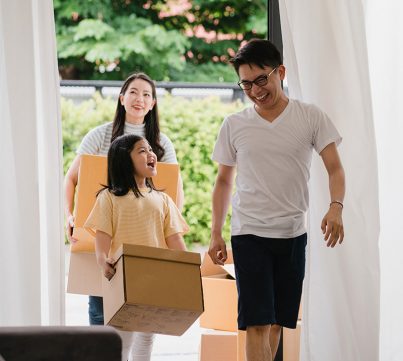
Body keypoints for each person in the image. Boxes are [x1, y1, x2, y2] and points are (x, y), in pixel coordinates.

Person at [208, 39, 345, 361]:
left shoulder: (311, 117)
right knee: (256, 323)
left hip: (292, 234)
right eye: (246, 83)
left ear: (279, 72)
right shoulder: (235, 124)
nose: (255, 90)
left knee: (275, 324)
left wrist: (336, 207)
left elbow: (335, 168)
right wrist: (215, 232)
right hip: (249, 233)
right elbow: (224, 180)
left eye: (261, 80)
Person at [84, 134, 188, 361]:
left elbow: (175, 242)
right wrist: (103, 260)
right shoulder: (109, 198)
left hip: (154, 281)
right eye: (142, 151)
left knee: (145, 340)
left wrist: (189, 271)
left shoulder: (163, 199)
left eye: (151, 150)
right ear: (124, 159)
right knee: (123, 340)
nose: (151, 154)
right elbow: (102, 238)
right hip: (123, 280)